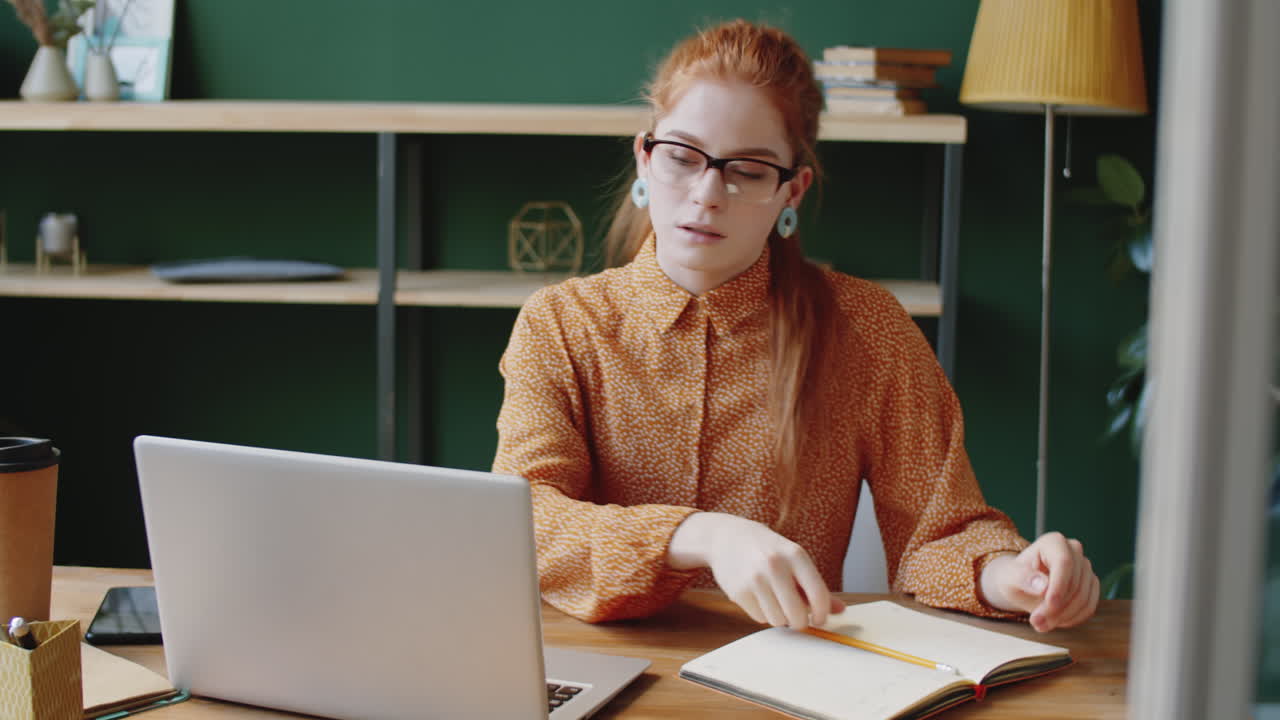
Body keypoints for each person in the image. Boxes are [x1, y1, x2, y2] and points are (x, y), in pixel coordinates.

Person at [493, 19, 1099, 633]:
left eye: (748, 171)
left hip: (790, 675)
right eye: (681, 157)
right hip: (603, 667)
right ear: (644, 159)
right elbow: (526, 524)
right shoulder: (561, 324)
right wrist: (702, 536)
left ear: (793, 191)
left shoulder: (866, 329)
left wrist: (1013, 576)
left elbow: (939, 531)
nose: (707, 194)